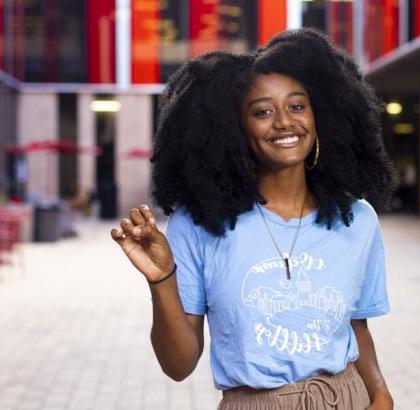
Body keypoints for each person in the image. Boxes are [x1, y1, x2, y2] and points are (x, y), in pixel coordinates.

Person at [111, 29, 396, 409]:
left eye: (297, 106)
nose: (284, 122)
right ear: (234, 131)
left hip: (346, 398)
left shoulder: (357, 220)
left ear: (320, 115)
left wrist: (380, 394)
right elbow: (178, 366)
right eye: (262, 111)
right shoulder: (200, 224)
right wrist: (162, 281)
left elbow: (355, 326)